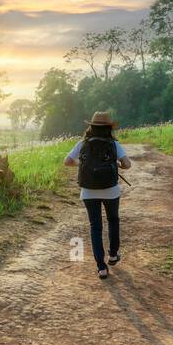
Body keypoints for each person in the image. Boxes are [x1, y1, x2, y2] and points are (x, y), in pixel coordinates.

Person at [63, 110, 131, 280]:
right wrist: (115, 164)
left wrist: (83, 163)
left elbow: (67, 161)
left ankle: (101, 268)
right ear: (109, 128)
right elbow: (127, 165)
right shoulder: (114, 145)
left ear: (91, 127)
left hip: (88, 191)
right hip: (111, 190)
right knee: (113, 220)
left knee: (95, 227)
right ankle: (113, 255)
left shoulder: (83, 143)